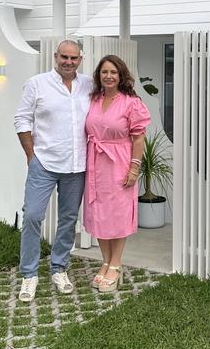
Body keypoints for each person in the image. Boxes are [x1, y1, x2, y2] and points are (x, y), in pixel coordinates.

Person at [14, 39, 93, 301]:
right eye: (64, 57)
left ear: (80, 59)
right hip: (44, 163)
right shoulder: (37, 84)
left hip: (76, 164)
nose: (68, 62)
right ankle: (29, 274)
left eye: (73, 58)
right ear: (55, 56)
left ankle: (59, 267)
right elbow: (22, 119)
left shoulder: (88, 85)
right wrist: (30, 155)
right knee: (33, 216)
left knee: (68, 219)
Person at [83, 55, 150, 292]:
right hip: (95, 163)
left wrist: (134, 167)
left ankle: (116, 264)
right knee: (99, 213)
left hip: (120, 162)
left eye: (113, 72)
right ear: (98, 76)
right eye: (104, 72)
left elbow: (139, 137)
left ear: (121, 75)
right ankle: (105, 261)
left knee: (118, 213)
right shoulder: (93, 99)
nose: (108, 76)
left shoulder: (131, 103)